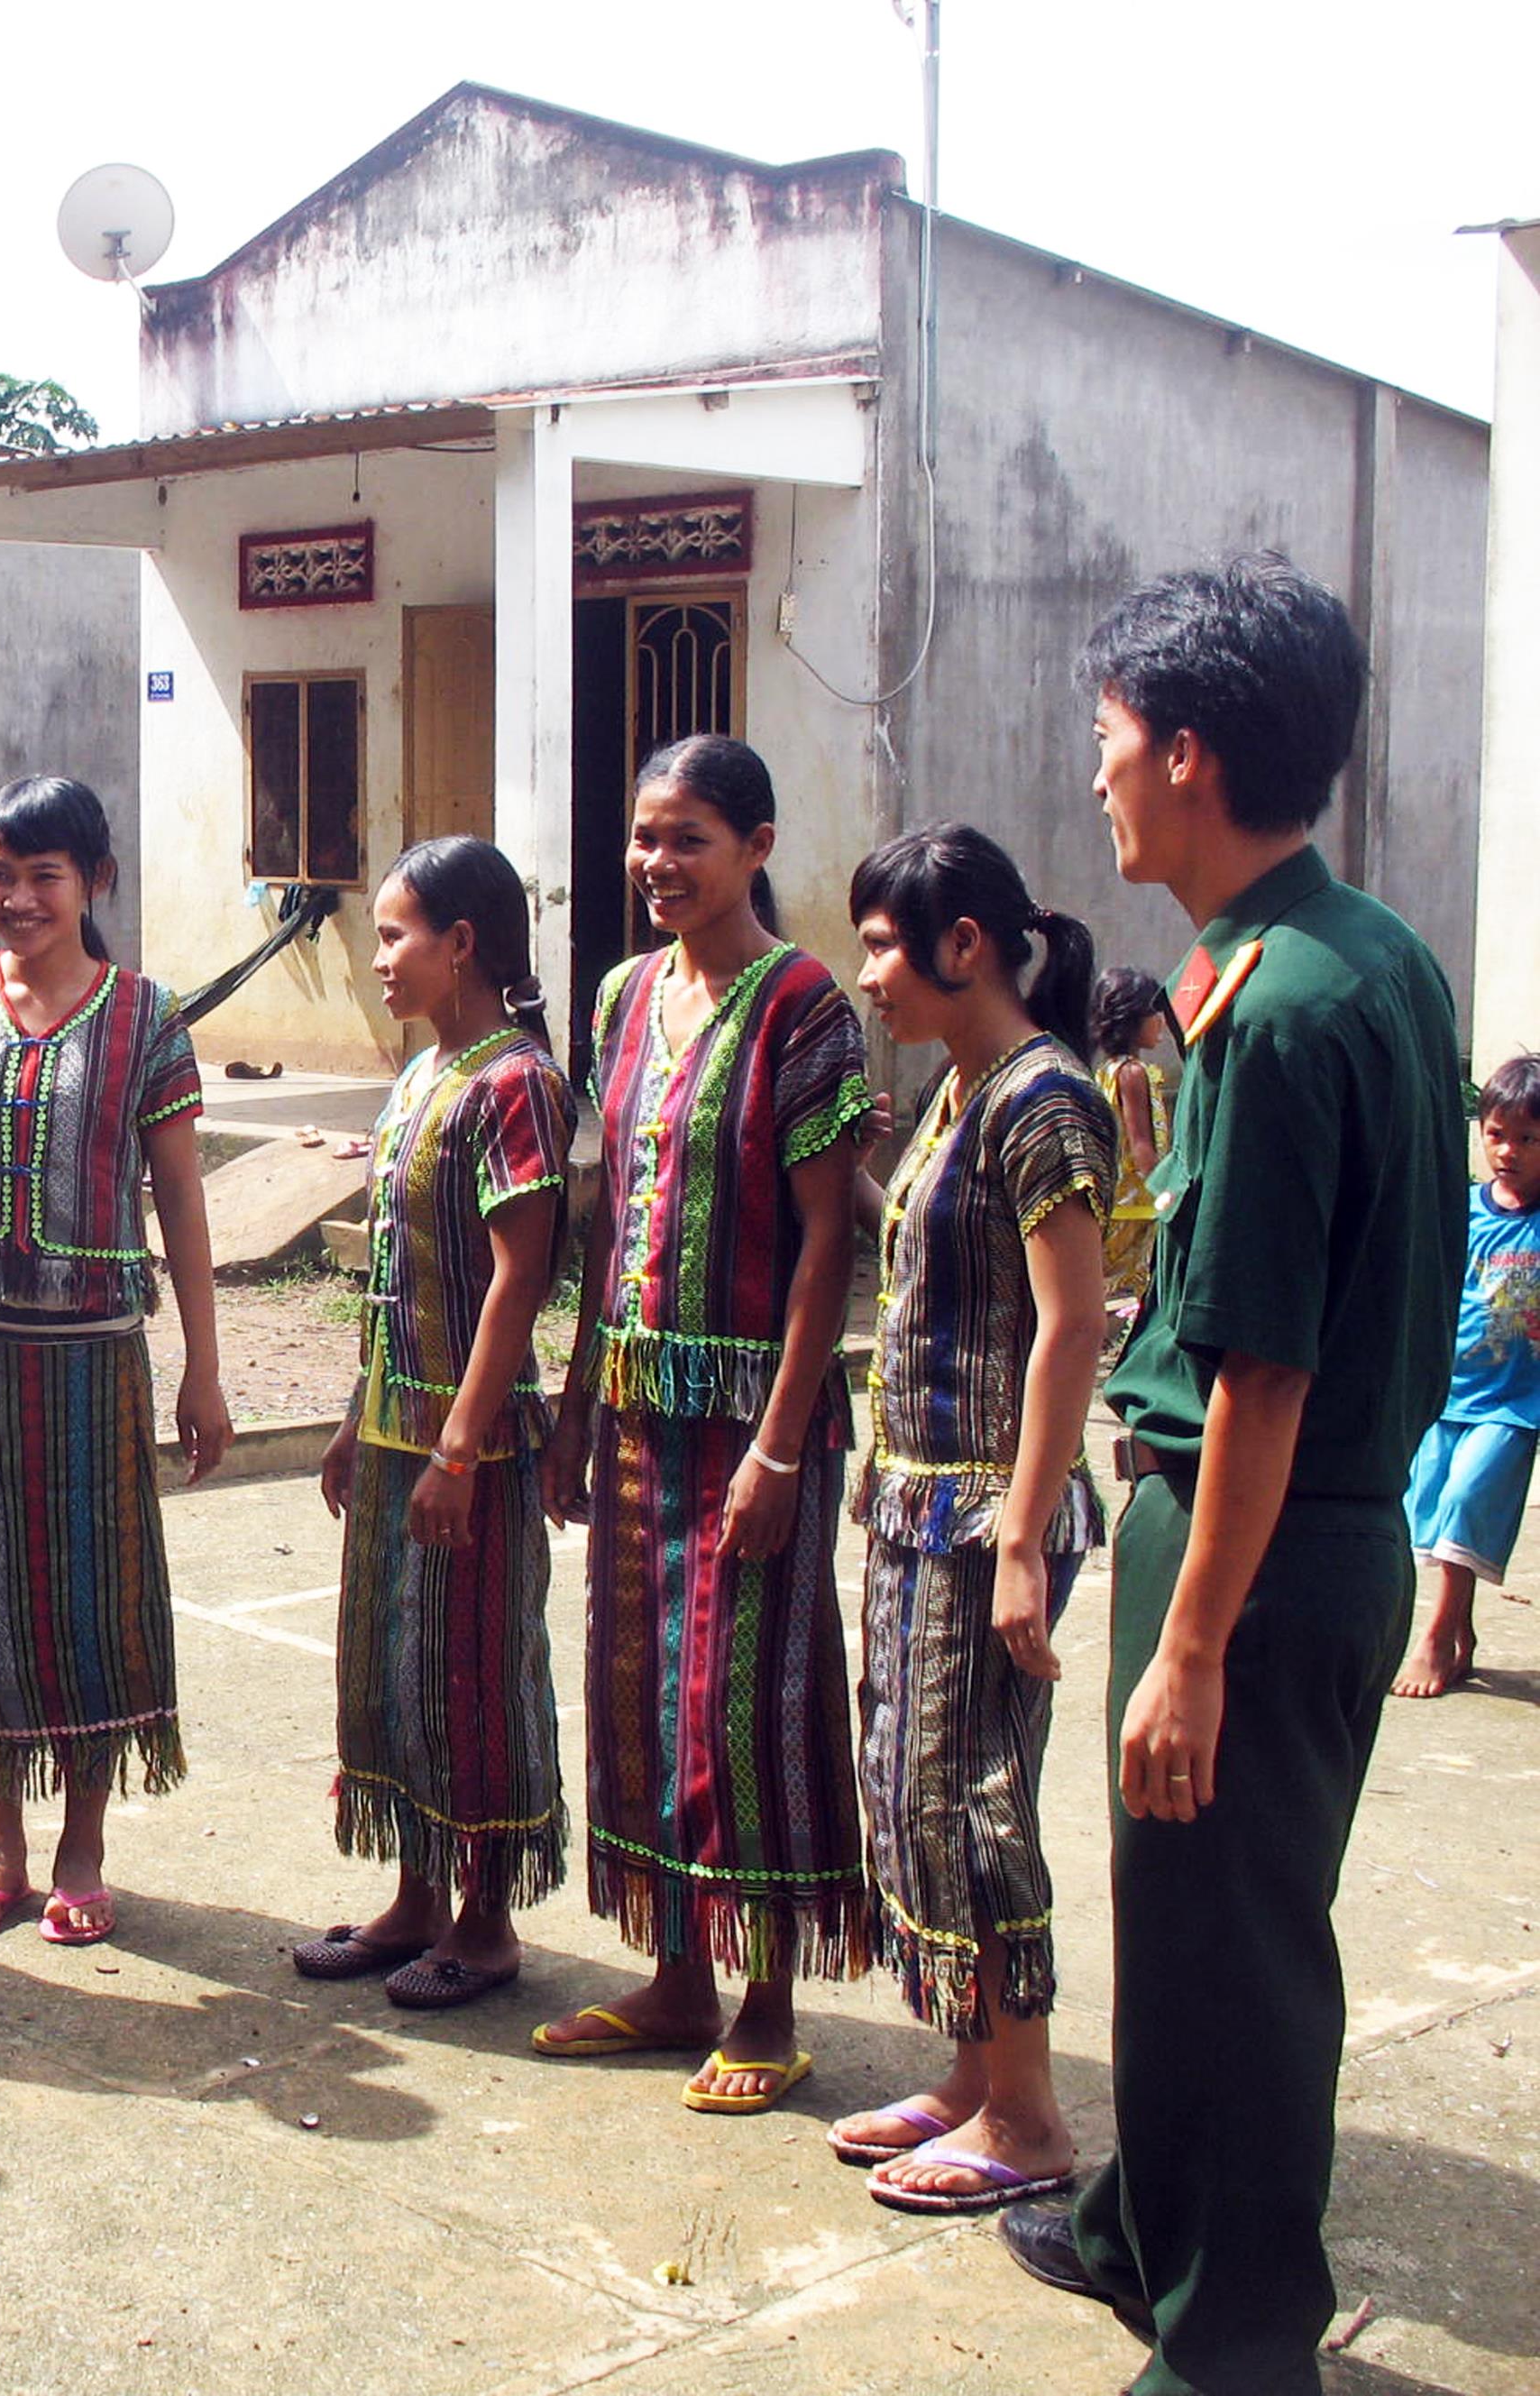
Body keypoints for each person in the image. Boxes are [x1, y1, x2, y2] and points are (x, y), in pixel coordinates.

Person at [994, 555, 1468, 2396]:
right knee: (1181, 1924)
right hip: (1284, 1527)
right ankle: (1144, 2219)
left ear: (1186, 753)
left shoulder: (1272, 1011)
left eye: (1109, 739)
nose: (1094, 770)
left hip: (1261, 1544)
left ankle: (1242, 2333)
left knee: (1245, 1949)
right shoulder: (1347, 951)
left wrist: (1188, 1641)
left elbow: (1261, 1366)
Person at [535, 733, 874, 2112]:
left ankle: (765, 1999)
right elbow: (606, 1218)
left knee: (748, 1706)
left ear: (755, 845)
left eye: (686, 838)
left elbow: (820, 1250)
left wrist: (782, 1444)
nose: (655, 864)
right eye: (640, 836)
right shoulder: (621, 996)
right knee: (635, 1696)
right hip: (630, 1409)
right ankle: (671, 1977)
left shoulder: (806, 1010)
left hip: (752, 1419)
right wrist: (570, 1397)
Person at [0, 775, 229, 1948]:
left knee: (87, 1593)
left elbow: (178, 1198)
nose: (15, 898)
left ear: (94, 883)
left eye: (42, 874)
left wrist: (202, 1367)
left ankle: (79, 1841)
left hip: (92, 1357)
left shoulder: (143, 1016)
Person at [835, 824, 1114, 2215]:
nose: (866, 973)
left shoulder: (1042, 1099)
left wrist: (1017, 1535)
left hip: (981, 1516)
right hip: (911, 1499)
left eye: (884, 943)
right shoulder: (962, 1091)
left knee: (973, 1804)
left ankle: (1026, 2115)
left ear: (963, 947)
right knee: (909, 1796)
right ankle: (965, 2073)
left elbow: (1067, 1331)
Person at [296, 835, 568, 2006]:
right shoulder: (418, 1076)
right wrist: (361, 1419)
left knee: (471, 1675)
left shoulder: (516, 1084)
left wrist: (457, 1447)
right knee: (391, 1674)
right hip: (399, 1429)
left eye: (397, 934)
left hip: (477, 1444)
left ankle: (485, 1919)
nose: (378, 958)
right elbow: (393, 1281)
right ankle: (410, 1898)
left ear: (462, 944)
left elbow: (517, 1280)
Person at [1392, 1053, 1540, 1698]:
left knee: (1465, 1499)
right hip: (1448, 1390)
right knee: (1432, 1506)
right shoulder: (1463, 1209)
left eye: (1528, 1138)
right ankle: (1462, 1634)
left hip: (1514, 1401)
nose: (1508, 1151)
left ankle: (1432, 1637)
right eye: (1496, 1134)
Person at [1088, 966, 1175, 1330]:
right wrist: (1167, 1191)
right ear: (1133, 1018)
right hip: (1137, 1206)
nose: (1161, 1023)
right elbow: (1140, 1144)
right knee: (1137, 1285)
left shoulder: (1108, 1069)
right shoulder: (1132, 1074)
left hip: (1118, 1202)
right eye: (1154, 1013)